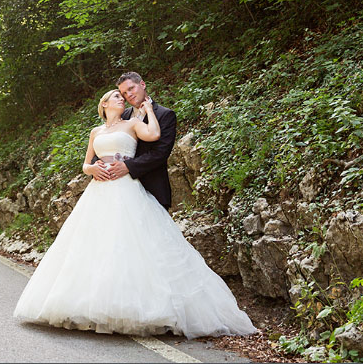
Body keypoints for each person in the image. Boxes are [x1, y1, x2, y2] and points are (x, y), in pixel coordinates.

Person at [13, 87, 256, 338]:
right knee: (93, 244)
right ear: (104, 104)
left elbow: (154, 135)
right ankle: (86, 305)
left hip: (125, 187)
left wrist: (149, 110)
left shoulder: (133, 124)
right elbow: (85, 163)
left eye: (124, 95)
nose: (123, 98)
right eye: (117, 96)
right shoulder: (95, 132)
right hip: (98, 191)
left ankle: (135, 308)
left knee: (127, 243)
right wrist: (92, 170)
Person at [89, 72, 176, 210]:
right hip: (115, 190)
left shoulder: (165, 115)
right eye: (124, 93)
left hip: (152, 187)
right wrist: (96, 167)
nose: (128, 94)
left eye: (131, 88)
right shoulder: (122, 114)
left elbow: (160, 153)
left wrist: (128, 166)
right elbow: (104, 144)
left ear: (142, 84)